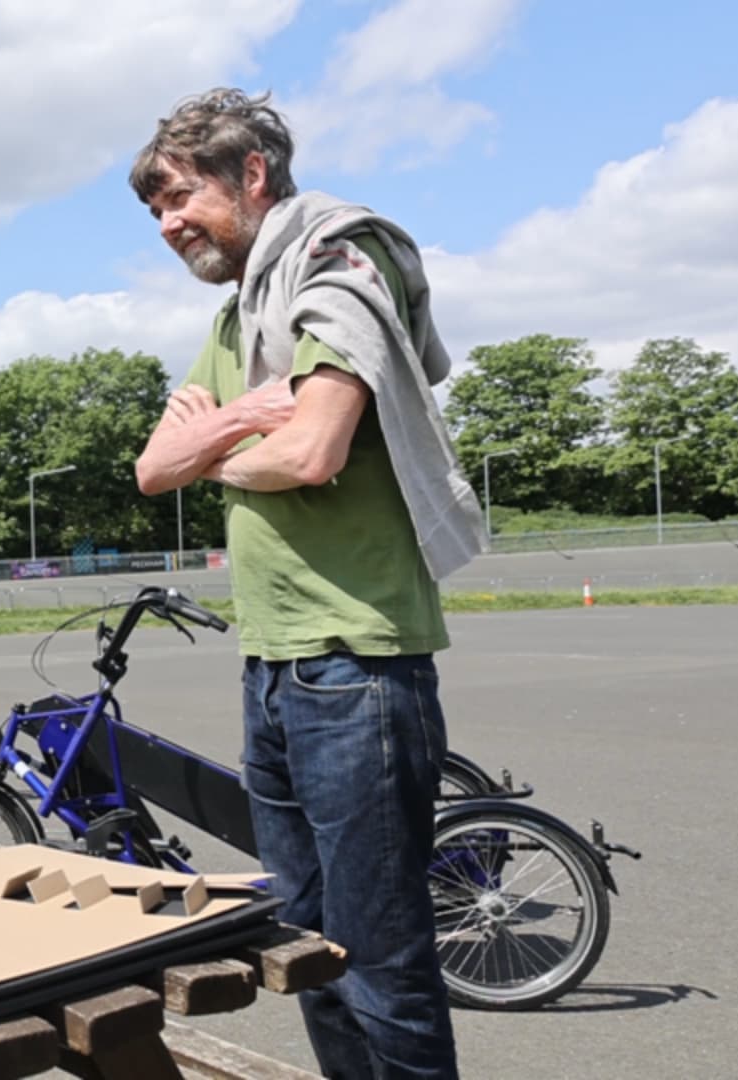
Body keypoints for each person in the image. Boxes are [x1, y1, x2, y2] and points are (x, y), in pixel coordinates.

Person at [131, 89, 485, 1080]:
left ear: (253, 173)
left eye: (181, 195)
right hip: (274, 666)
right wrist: (245, 422)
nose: (168, 223)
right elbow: (151, 470)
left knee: (383, 964)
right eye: (153, 209)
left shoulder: (339, 264)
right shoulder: (241, 313)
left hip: (357, 666)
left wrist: (214, 442)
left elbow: (316, 448)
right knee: (308, 956)